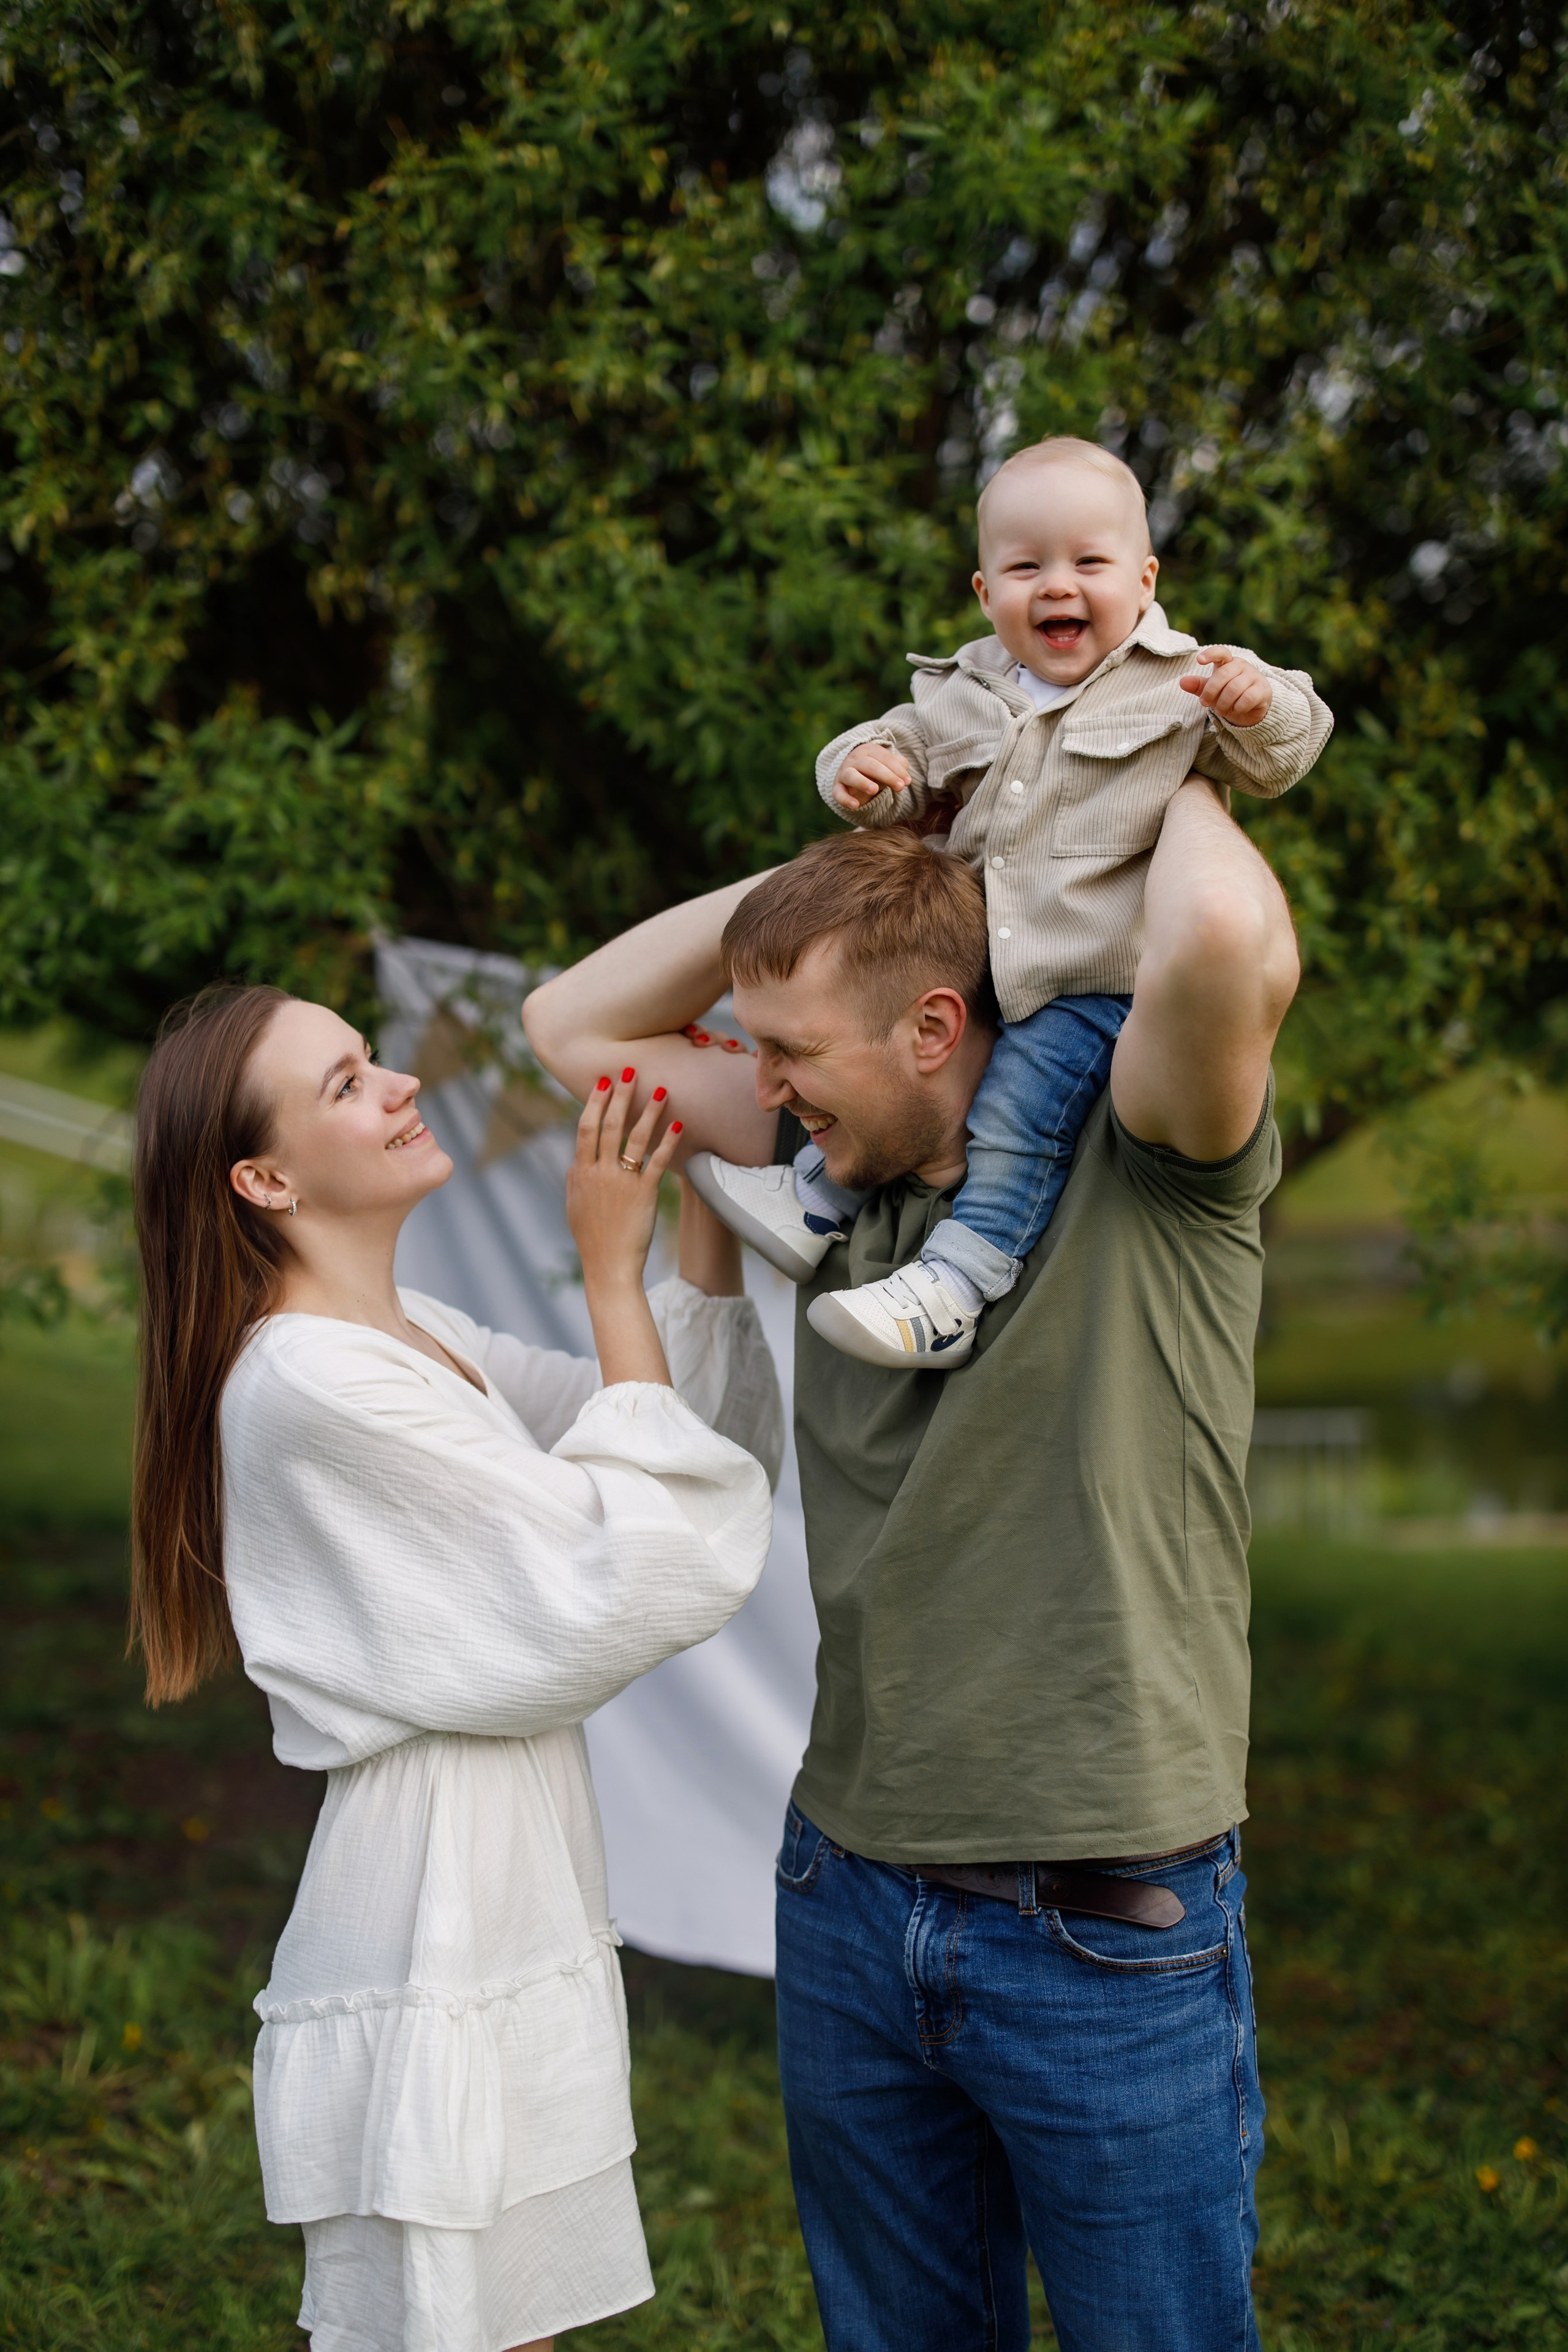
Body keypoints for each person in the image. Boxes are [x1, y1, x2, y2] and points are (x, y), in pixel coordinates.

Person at [522, 773, 1298, 2351]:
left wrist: (1149, 769)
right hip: (850, 1899)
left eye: (790, 1052)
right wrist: (878, 872)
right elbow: (568, 1025)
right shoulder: (838, 1179)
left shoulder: (1142, 1156)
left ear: (934, 1032)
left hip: (1102, 1927)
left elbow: (1222, 932)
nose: (761, 1082)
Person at [129, 987, 780, 2352]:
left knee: (504, 2321)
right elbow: (617, 1563)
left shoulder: (409, 1333)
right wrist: (611, 1271)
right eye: (349, 1083)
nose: (402, 1085)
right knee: (442, 2324)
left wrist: (704, 1200)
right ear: (264, 1179)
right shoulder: (308, 1383)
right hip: (431, 1899)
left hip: (504, 1877)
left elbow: (674, 1434)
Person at [687, 437, 1330, 1369]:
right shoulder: (962, 691)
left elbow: (1285, 754)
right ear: (987, 593)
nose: (1057, 586)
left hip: (1087, 984)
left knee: (1016, 1114)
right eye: (1026, 566)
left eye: (1090, 562)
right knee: (887, 1054)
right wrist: (860, 774)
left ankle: (960, 1279)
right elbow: (896, 758)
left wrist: (1256, 702)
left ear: (1145, 581)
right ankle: (816, 1197)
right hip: (976, 959)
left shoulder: (1182, 685)